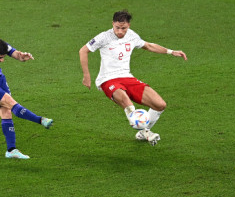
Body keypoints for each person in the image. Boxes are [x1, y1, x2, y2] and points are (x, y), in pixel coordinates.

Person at [79, 10, 187, 146]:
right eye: (117, 27)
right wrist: (86, 76)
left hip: (127, 77)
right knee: (125, 100)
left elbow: (148, 46)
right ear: (112, 24)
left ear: (128, 25)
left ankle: (143, 132)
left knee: (160, 105)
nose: (119, 31)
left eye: (123, 28)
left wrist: (171, 52)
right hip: (108, 80)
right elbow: (83, 50)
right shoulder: (103, 37)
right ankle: (146, 132)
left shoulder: (131, 36)